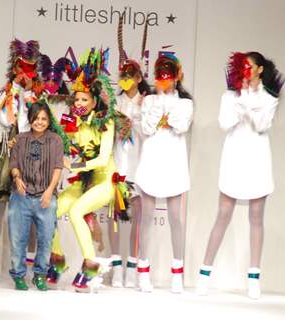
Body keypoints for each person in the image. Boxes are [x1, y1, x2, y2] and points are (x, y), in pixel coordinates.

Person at [195, 51, 285, 299]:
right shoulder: (229, 95)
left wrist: (248, 103)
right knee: (223, 215)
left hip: (257, 158)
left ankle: (254, 277)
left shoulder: (269, 97)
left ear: (259, 70)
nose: (245, 69)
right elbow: (225, 122)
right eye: (242, 65)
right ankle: (204, 274)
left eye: (250, 66)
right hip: (235, 156)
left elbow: (261, 124)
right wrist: (241, 97)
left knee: (256, 217)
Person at [46, 48, 131, 293]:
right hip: (82, 180)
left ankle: (90, 265)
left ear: (94, 100)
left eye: (84, 99)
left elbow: (103, 159)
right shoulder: (73, 122)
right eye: (77, 99)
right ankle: (58, 259)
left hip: (105, 182)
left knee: (76, 212)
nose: (79, 103)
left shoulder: (107, 121)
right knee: (50, 211)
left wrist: (74, 165)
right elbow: (65, 145)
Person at [0, 39, 44, 285]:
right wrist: (17, 96)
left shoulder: (36, 95)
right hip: (9, 147)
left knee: (34, 206)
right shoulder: (5, 93)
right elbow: (6, 120)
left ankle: (32, 266)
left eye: (32, 69)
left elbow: (36, 123)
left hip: (33, 150)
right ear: (15, 68)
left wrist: (29, 98)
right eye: (23, 67)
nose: (27, 73)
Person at [134, 54, 194, 293]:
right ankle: (143, 270)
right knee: (146, 217)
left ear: (177, 75)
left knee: (177, 219)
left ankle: (177, 273)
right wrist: (159, 109)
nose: (164, 79)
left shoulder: (186, 103)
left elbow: (181, 125)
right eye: (160, 74)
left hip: (174, 164)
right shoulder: (149, 101)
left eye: (168, 74)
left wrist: (168, 119)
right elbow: (147, 127)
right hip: (151, 161)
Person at [8, 102, 64, 290]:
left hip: (45, 196)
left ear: (49, 121)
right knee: (18, 238)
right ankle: (18, 275)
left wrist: (49, 192)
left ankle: (40, 275)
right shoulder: (20, 139)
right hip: (21, 195)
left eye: (44, 119)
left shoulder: (55, 140)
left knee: (46, 238)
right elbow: (13, 163)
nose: (39, 122)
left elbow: (58, 167)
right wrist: (17, 178)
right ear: (30, 119)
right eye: (36, 118)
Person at [109, 59, 151, 288]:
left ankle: (133, 268)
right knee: (115, 217)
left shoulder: (147, 102)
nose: (126, 78)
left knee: (138, 218)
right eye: (122, 74)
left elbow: (149, 133)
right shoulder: (114, 102)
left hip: (140, 166)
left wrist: (137, 116)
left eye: (130, 74)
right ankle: (117, 268)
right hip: (118, 166)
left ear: (139, 77)